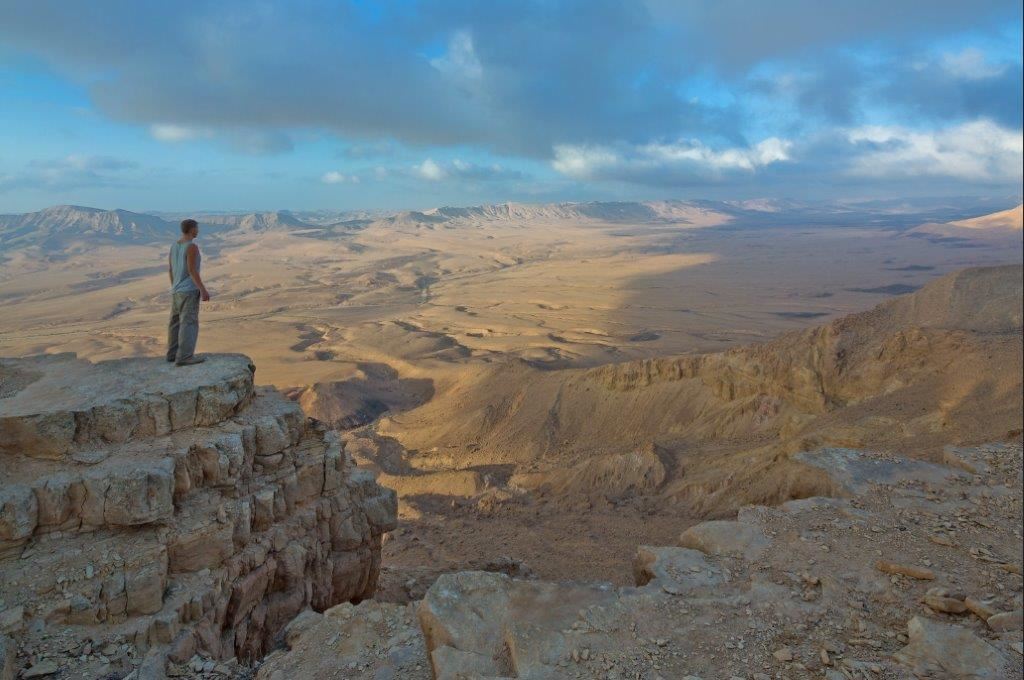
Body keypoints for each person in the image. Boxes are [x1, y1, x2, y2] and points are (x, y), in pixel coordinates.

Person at [167, 218, 211, 366]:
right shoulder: (191, 247)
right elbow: (192, 270)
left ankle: (172, 355)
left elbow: (171, 269)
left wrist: (175, 286)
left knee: (175, 322)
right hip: (189, 291)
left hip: (176, 290)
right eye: (197, 228)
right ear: (192, 230)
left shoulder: (174, 246)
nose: (198, 231)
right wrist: (202, 289)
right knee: (189, 323)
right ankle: (185, 357)